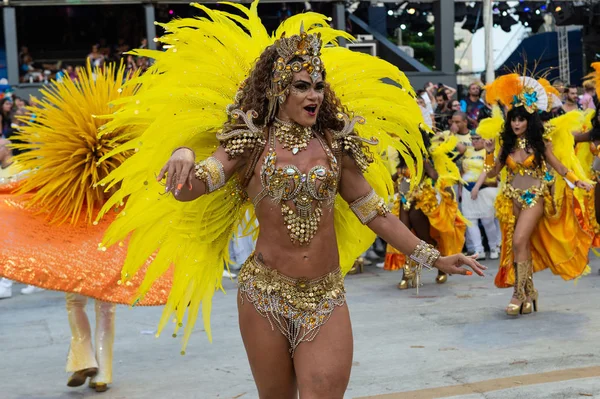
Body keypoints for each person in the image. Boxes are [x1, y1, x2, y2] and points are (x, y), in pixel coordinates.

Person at [94, 4, 485, 397]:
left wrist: (432, 256)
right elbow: (189, 189)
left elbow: (375, 213)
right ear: (278, 89)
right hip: (263, 294)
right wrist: (183, 152)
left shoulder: (336, 145)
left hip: (325, 296)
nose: (313, 95)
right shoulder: (248, 141)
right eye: (301, 86)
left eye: (318, 86)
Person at [0, 62, 171, 392]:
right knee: (103, 304)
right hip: (104, 234)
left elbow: (34, 181)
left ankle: (84, 359)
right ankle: (101, 369)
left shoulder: (65, 159)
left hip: (77, 231)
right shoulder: (125, 159)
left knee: (76, 301)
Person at [479, 73, 593, 316]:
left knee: (518, 241)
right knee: (522, 246)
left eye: (521, 120)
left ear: (529, 121)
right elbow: (492, 174)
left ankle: (517, 294)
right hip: (512, 200)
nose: (516, 124)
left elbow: (560, 167)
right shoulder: (507, 144)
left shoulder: (541, 142)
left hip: (535, 198)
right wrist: (489, 152)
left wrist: (578, 181)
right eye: (513, 120)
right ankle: (530, 293)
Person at [387, 130, 468, 289]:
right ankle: (408, 272)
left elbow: (436, 176)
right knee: (404, 236)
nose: (408, 146)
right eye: (406, 142)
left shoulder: (422, 161)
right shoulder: (402, 164)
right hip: (404, 202)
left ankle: (440, 264)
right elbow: (391, 180)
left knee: (424, 239)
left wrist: (445, 187)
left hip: (419, 202)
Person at [461, 130, 500, 260]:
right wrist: (461, 188)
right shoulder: (468, 151)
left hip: (484, 188)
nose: (474, 141)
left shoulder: (488, 152)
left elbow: (486, 170)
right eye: (472, 139)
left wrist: (477, 187)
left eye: (477, 138)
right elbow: (462, 170)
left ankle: (493, 246)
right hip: (467, 188)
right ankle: (479, 250)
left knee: (487, 220)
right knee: (470, 220)